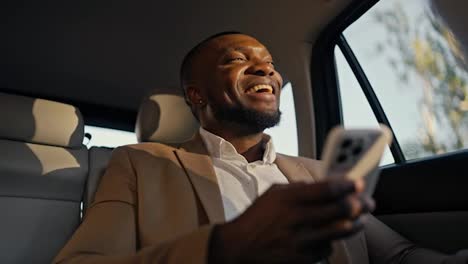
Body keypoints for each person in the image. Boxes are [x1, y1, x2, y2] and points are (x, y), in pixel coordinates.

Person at [54, 32, 467, 264]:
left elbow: (398, 255)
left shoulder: (316, 171)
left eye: (269, 61)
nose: (265, 68)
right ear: (197, 96)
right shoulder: (141, 161)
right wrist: (224, 247)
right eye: (235, 59)